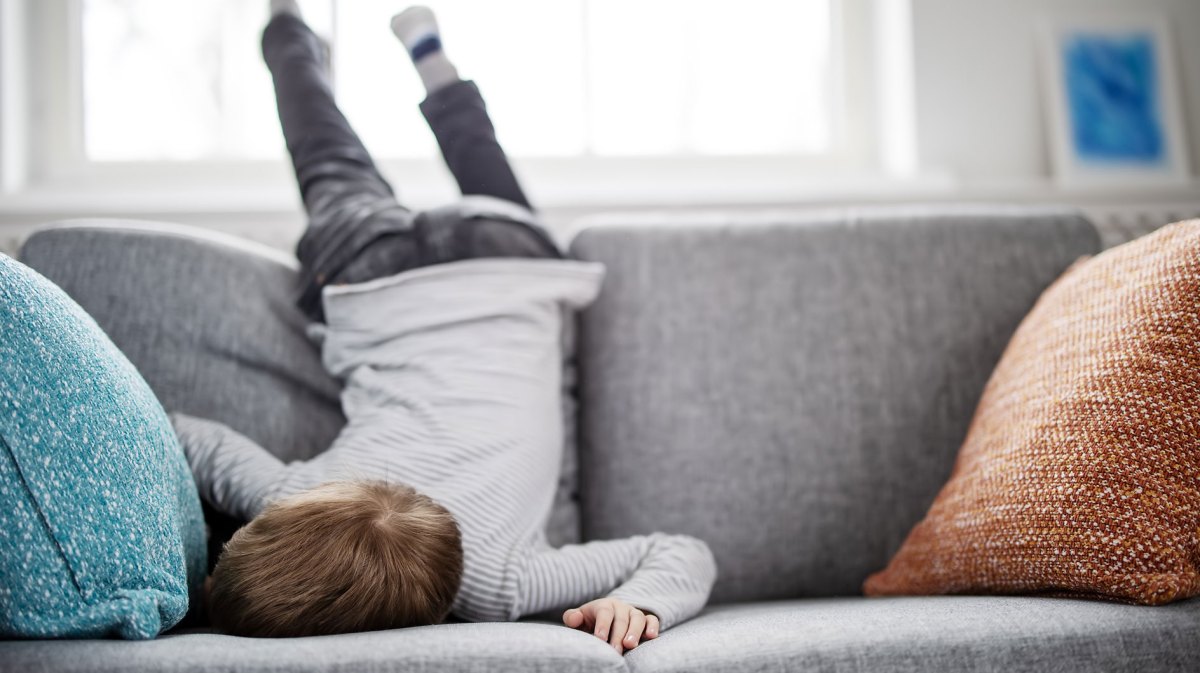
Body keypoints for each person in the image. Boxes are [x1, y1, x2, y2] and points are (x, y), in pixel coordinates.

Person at [169, 1, 717, 652]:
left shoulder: (504, 582)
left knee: (486, 171)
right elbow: (184, 435)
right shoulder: (289, 492)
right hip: (376, 280)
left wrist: (638, 600)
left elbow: (680, 553)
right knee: (326, 154)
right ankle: (288, 28)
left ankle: (432, 58)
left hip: (506, 267)